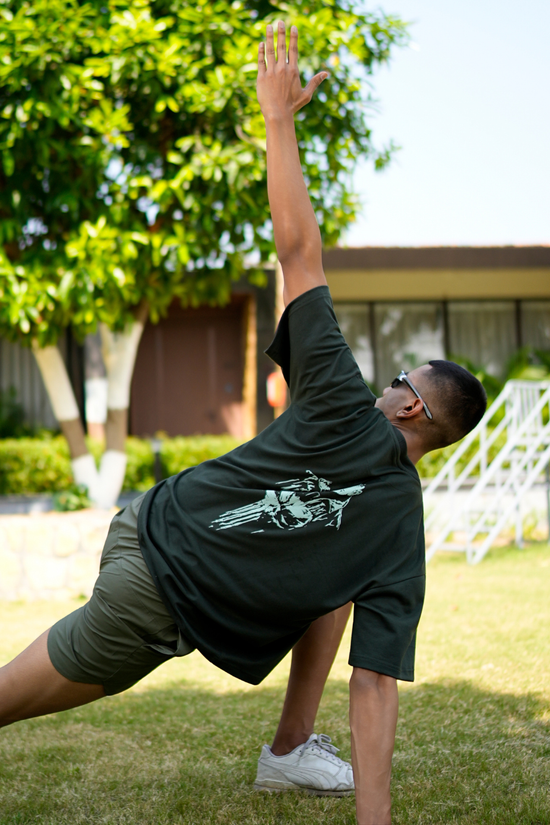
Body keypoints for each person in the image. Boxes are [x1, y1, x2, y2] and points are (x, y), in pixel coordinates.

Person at [0, 23, 487, 825]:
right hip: (155, 585)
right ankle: (289, 746)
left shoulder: (351, 430)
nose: (389, 381)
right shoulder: (402, 525)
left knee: (339, 579)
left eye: (400, 375)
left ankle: (290, 749)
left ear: (408, 403)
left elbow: (298, 252)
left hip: (155, 523)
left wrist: (279, 120)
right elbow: (375, 685)